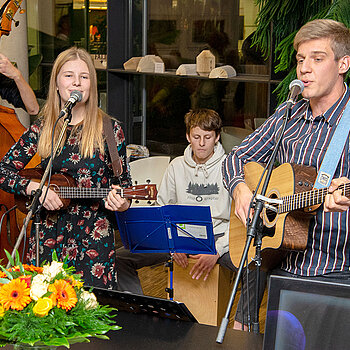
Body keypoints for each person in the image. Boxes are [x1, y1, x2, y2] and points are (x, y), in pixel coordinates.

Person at [222, 19, 350, 330]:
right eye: (300, 59)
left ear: (343, 63)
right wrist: (241, 190)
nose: (305, 69)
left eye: (317, 59)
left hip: (334, 270)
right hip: (277, 261)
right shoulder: (288, 114)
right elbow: (237, 157)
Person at [0, 47, 131, 289]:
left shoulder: (110, 130)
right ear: (57, 83)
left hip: (93, 240)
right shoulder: (45, 128)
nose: (77, 83)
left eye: (84, 76)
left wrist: (122, 203)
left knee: (92, 315)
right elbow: (3, 171)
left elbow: (124, 187)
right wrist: (35, 188)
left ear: (91, 84)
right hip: (47, 236)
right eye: (69, 75)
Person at [116, 108, 235, 294]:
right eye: (196, 137)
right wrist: (172, 244)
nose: (202, 143)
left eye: (208, 137)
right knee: (119, 259)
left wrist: (218, 250)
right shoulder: (176, 166)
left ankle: (240, 323)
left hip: (217, 237)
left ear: (217, 137)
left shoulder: (230, 166)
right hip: (180, 237)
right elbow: (162, 209)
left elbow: (238, 220)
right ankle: (139, 312)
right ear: (188, 136)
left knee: (253, 267)